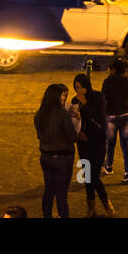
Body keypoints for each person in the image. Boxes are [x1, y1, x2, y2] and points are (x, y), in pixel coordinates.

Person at [71, 72, 114, 216]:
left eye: (80, 87)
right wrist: (78, 131)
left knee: (94, 176)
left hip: (98, 140)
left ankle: (107, 205)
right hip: (83, 142)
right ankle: (91, 208)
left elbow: (99, 117)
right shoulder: (74, 100)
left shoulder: (98, 97)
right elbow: (75, 122)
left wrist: (84, 103)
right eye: (76, 87)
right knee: (87, 175)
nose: (78, 91)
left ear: (86, 86)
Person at [34, 83, 78, 218]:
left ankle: (47, 215)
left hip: (46, 157)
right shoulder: (61, 114)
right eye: (63, 95)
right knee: (61, 194)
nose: (64, 98)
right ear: (56, 96)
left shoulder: (40, 114)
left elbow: (40, 135)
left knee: (48, 191)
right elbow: (72, 136)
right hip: (62, 158)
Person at [102, 57, 128, 183]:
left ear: (113, 69)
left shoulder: (108, 81)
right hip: (126, 114)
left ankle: (109, 166)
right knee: (125, 145)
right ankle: (127, 172)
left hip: (111, 115)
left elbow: (104, 97)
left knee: (111, 143)